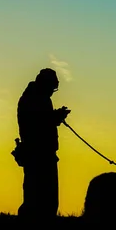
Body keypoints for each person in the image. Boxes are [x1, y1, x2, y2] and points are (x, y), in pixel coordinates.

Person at [13, 68, 71, 219]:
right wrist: (55, 117)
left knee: (45, 200)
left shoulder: (38, 97)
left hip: (43, 154)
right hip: (38, 155)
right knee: (38, 200)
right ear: (45, 84)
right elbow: (38, 124)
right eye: (53, 87)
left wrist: (55, 116)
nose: (53, 91)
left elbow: (41, 119)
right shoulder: (33, 98)